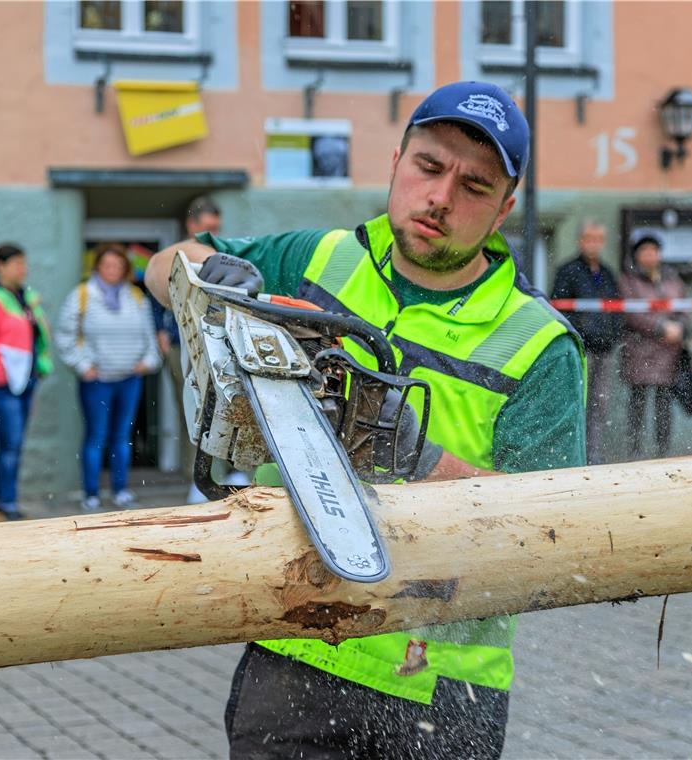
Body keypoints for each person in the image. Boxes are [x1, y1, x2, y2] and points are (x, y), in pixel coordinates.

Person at [145, 80, 586, 759]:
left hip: (443, 688)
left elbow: (552, 543)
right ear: (396, 162)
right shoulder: (322, 259)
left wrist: (419, 458)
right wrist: (207, 276)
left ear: (505, 209)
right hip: (296, 643)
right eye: (429, 167)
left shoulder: (537, 344)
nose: (440, 198)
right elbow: (165, 264)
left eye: (474, 187)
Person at [55, 245, 160, 511]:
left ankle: (120, 490)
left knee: (122, 436)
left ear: (125, 269)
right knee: (96, 436)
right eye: (107, 265)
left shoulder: (136, 297)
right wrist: (82, 365)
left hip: (129, 379)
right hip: (97, 381)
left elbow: (150, 336)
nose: (112, 270)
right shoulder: (81, 296)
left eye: (118, 266)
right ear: (98, 267)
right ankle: (91, 493)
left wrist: (147, 362)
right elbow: (64, 336)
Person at [0, 243, 52, 522]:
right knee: (11, 442)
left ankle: (7, 503)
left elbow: (37, 334)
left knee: (13, 444)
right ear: (0, 266)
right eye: (16, 263)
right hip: (0, 385)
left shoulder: (24, 297)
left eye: (23, 263)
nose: (23, 268)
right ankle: (4, 504)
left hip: (24, 381)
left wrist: (40, 367)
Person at [152, 198, 223, 500]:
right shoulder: (174, 257)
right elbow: (155, 295)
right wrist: (160, 330)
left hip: (215, 348)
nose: (212, 234)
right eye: (207, 228)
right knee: (192, 413)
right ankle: (195, 477)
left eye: (216, 229)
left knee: (222, 413)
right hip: (181, 346)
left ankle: (225, 474)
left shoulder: (221, 253)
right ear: (191, 225)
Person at [550, 219, 623, 464]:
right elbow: (559, 308)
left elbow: (616, 308)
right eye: (589, 239)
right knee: (577, 402)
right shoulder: (568, 271)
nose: (594, 245)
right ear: (580, 241)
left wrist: (613, 335)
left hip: (604, 349)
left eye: (598, 239)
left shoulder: (606, 273)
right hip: (581, 350)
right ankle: (574, 454)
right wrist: (582, 331)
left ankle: (594, 454)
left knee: (599, 405)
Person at [619, 228, 687, 459]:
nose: (649, 256)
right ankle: (635, 451)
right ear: (636, 255)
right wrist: (660, 327)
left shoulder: (671, 278)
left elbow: (686, 306)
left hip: (669, 352)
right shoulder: (629, 279)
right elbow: (632, 313)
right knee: (637, 403)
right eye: (644, 251)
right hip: (640, 350)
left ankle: (662, 451)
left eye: (653, 251)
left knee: (664, 404)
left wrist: (680, 327)